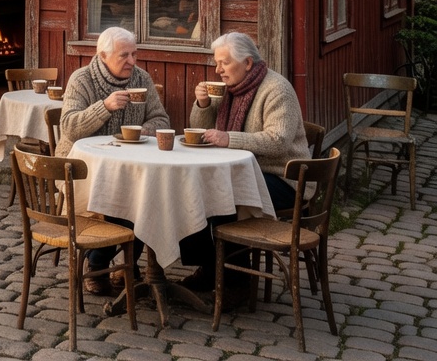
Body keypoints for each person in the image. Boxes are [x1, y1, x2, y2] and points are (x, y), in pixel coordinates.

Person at [177, 31, 309, 291]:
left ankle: (237, 282)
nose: (218, 70)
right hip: (243, 172)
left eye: (224, 63)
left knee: (226, 195)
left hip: (283, 178)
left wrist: (230, 139)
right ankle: (211, 267)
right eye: (217, 63)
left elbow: (278, 140)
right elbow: (203, 130)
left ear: (247, 63)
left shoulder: (276, 89)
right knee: (189, 189)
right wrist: (203, 104)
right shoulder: (230, 88)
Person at [57, 26, 170, 295]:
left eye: (134, 54)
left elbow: (161, 119)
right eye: (124, 56)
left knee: (147, 199)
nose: (132, 61)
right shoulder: (81, 80)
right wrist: (104, 107)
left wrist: (142, 131)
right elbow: (69, 127)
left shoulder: (140, 78)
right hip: (85, 169)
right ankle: (97, 265)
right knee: (116, 200)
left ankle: (126, 264)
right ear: (104, 55)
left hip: (130, 165)